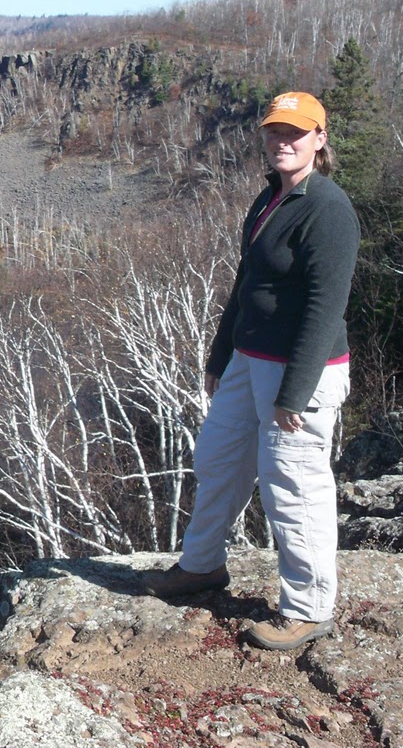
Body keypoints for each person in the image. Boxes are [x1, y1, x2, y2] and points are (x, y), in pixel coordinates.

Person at [142, 91, 360, 651]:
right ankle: (202, 567)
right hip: (249, 360)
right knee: (217, 458)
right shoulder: (269, 199)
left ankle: (308, 608)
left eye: (296, 132)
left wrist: (295, 390)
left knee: (293, 483)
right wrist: (221, 357)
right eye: (274, 132)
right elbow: (246, 286)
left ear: (320, 138)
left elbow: (323, 307)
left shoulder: (328, 210)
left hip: (300, 370)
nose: (283, 141)